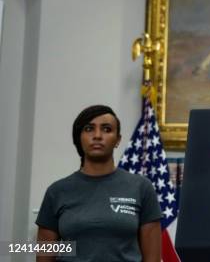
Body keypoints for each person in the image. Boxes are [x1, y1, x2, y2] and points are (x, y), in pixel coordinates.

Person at [36, 105, 161, 262]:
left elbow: (153, 258)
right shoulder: (57, 191)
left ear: (118, 140)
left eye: (106, 129)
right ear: (79, 138)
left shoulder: (141, 188)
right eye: (89, 129)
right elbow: (44, 257)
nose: (97, 136)